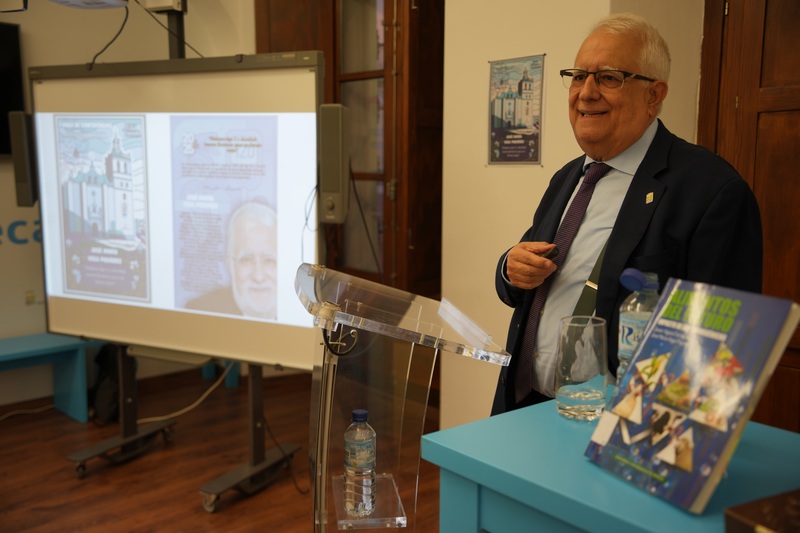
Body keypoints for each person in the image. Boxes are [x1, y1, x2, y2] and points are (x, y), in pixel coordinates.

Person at [491, 13, 762, 415]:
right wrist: (509, 268)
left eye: (608, 78)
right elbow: (529, 273)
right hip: (524, 409)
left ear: (654, 95)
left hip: (620, 425)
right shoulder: (568, 177)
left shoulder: (711, 191)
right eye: (578, 76)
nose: (586, 93)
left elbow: (721, 344)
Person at [187, 201, 278, 319]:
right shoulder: (198, 311)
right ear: (229, 263)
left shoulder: (299, 306)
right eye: (246, 260)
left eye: (269, 261)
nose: (258, 277)